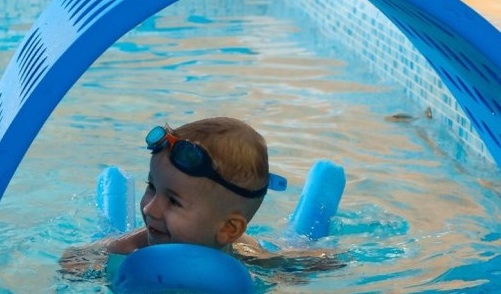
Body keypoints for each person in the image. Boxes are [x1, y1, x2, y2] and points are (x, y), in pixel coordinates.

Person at [60, 116, 340, 277]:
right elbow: (75, 258)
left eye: (174, 201)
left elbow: (290, 263)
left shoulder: (245, 254)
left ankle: (320, 196)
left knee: (294, 242)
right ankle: (114, 185)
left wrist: (317, 263)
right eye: (151, 187)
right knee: (113, 230)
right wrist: (85, 267)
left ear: (228, 229)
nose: (151, 209)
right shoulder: (130, 246)